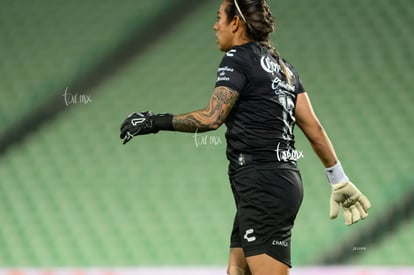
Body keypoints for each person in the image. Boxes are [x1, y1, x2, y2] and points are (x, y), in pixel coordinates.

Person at [119, 0, 371, 274]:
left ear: (236, 23)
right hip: (275, 182)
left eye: (219, 18)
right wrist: (338, 179)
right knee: (236, 271)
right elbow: (314, 128)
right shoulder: (284, 68)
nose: (215, 26)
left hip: (262, 185)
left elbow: (212, 117)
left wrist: (155, 121)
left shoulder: (236, 58)